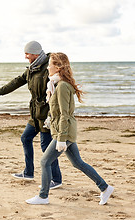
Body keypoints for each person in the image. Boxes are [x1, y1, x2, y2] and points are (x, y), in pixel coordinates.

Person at [25, 52, 114, 205]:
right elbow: (57, 111)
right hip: (63, 130)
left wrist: (61, 138)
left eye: (50, 64)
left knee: (45, 161)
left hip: (64, 132)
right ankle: (105, 188)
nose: (47, 68)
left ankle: (43, 196)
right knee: (77, 163)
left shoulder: (62, 87)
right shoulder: (55, 85)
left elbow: (65, 115)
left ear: (58, 67)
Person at [0, 41, 62, 189]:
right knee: (25, 138)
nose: (26, 57)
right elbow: (16, 82)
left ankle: (56, 179)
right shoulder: (32, 69)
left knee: (47, 147)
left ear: (35, 53)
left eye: (27, 54)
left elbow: (58, 92)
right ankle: (28, 172)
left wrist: (52, 116)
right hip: (35, 114)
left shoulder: (49, 68)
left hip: (47, 115)